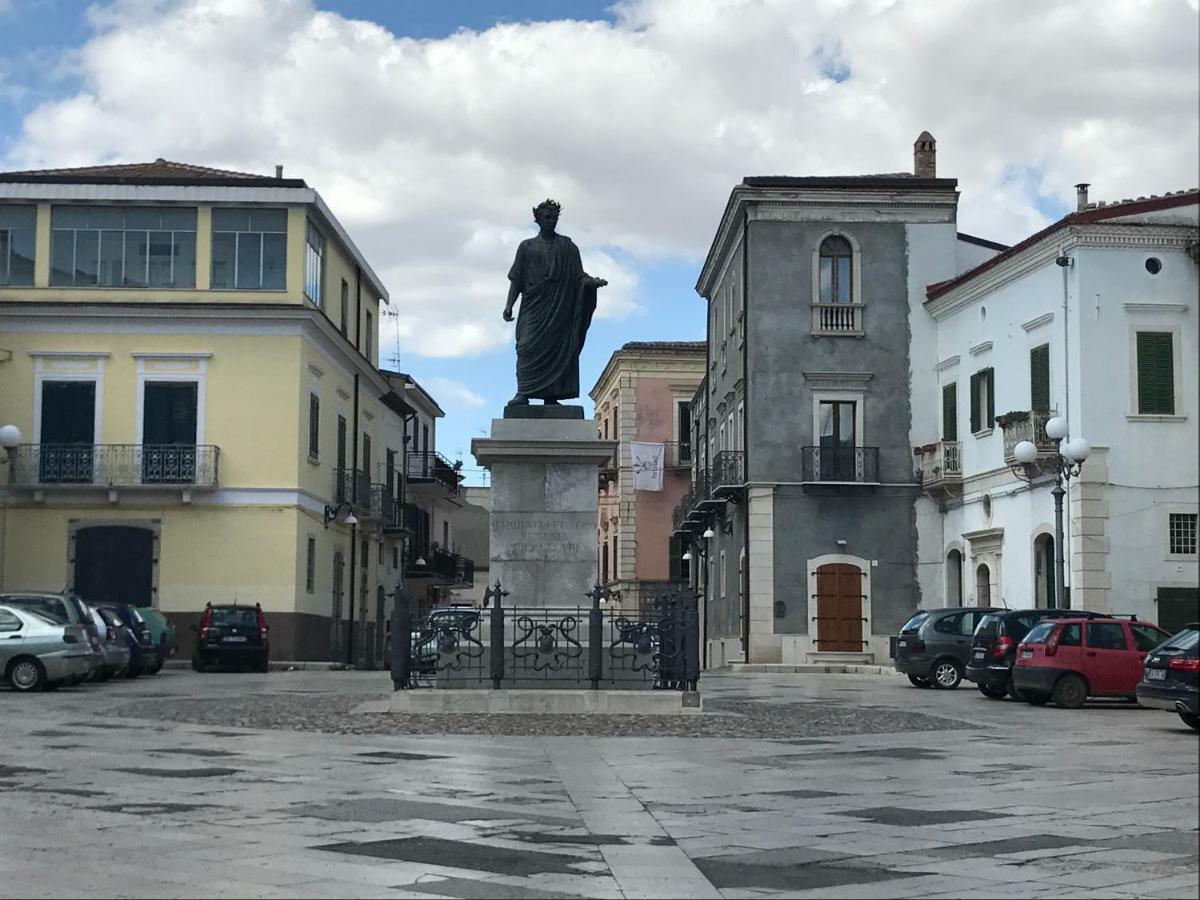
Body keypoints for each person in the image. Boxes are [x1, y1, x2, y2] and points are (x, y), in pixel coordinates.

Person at [503, 199, 607, 406]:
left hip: (559, 309)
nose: (550, 221)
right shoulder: (526, 247)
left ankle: (552, 395)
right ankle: (523, 392)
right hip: (534, 306)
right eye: (546, 217)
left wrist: (590, 282)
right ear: (537, 219)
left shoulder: (568, 248)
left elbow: (579, 276)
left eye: (554, 218)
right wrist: (509, 305)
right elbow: (517, 280)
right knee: (526, 346)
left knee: (558, 348)